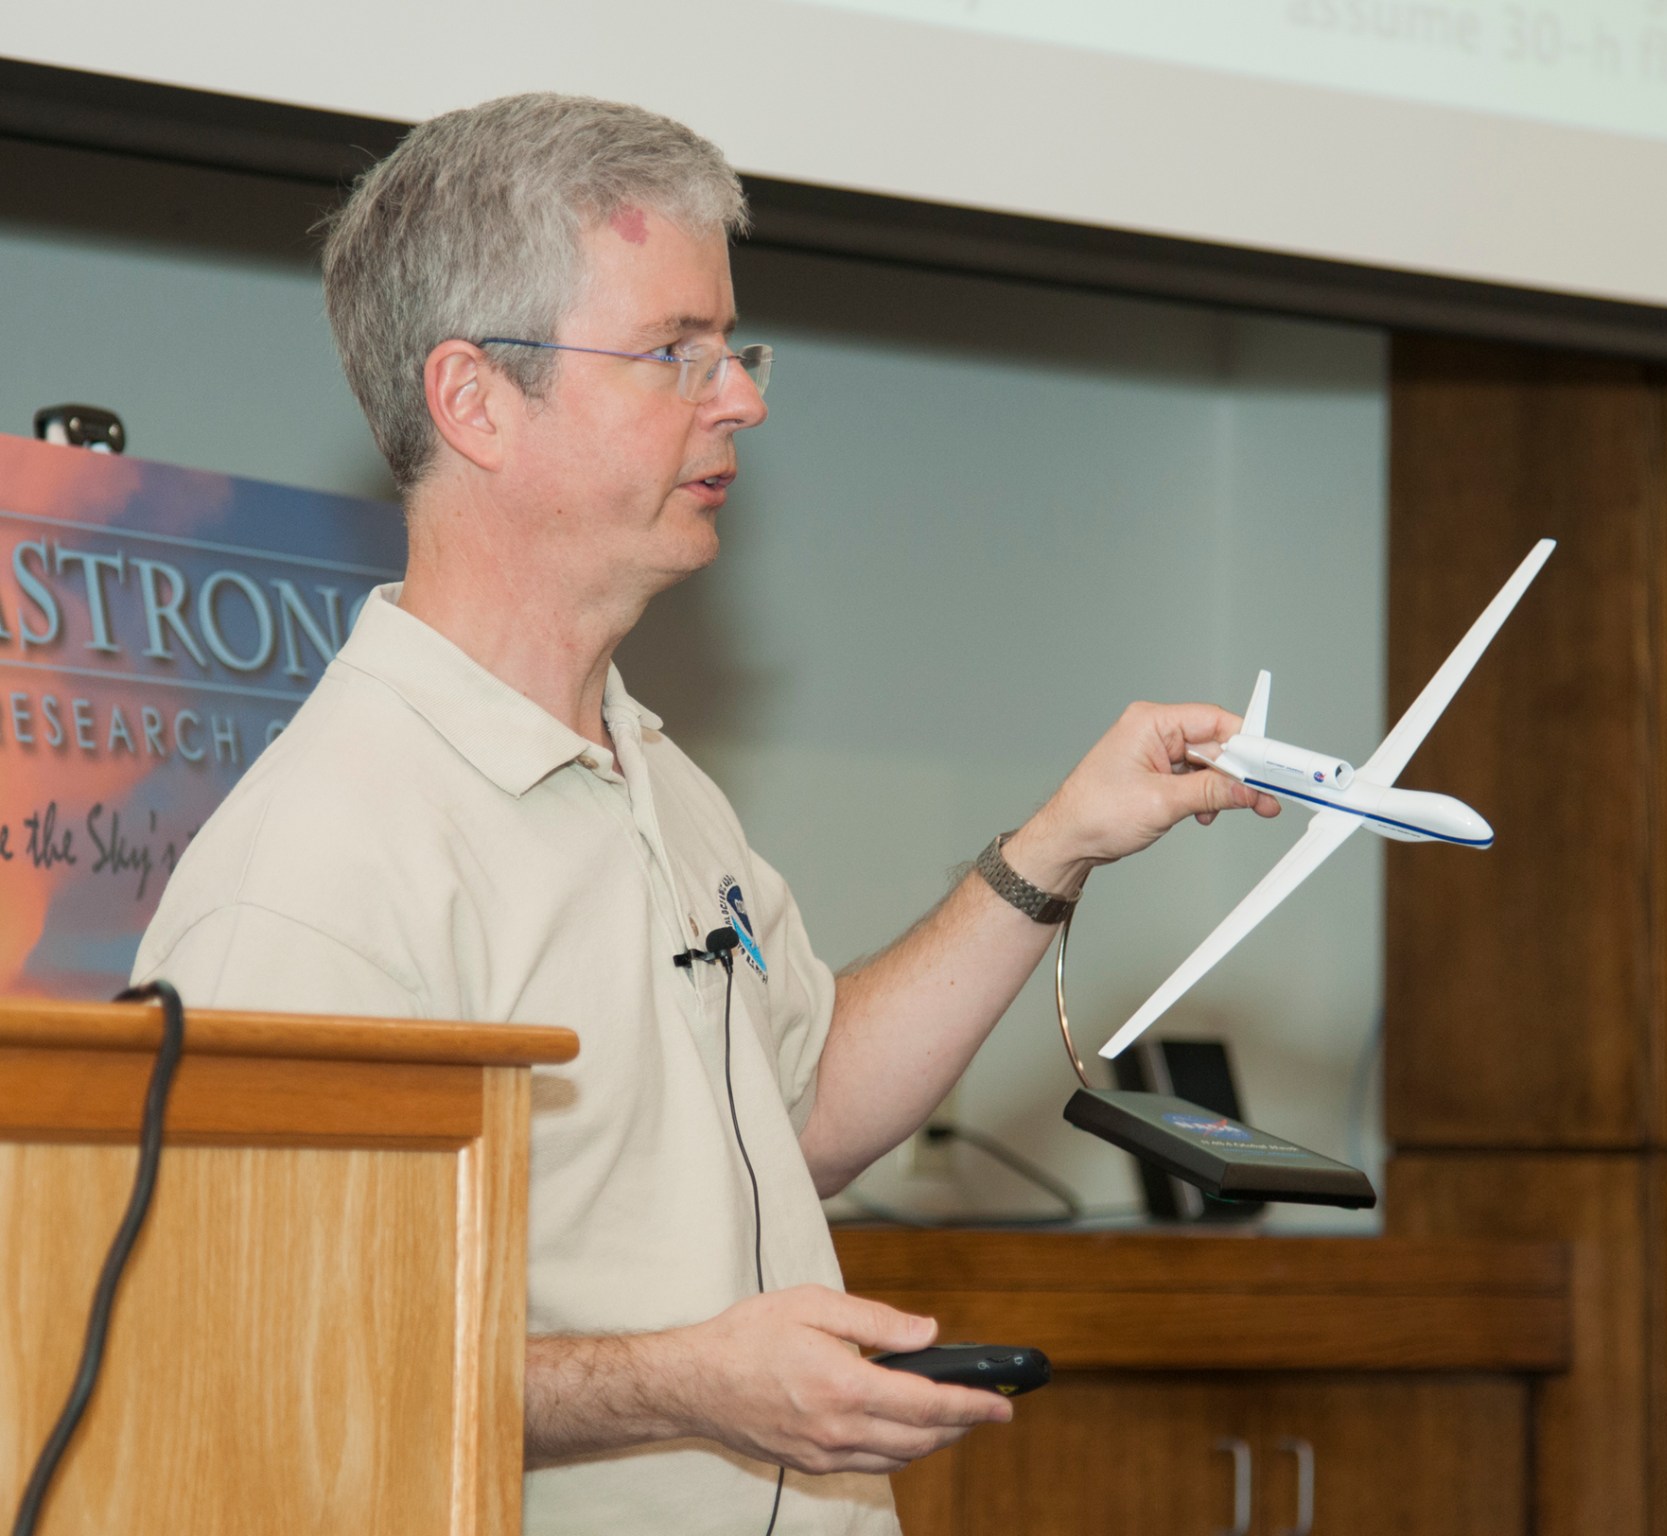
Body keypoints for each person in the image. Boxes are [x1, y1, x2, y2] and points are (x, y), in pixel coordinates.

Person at [131, 93, 1277, 1535]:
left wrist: (1057, 845)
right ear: (474, 399)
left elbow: (804, 1108)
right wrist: (680, 1385)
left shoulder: (647, 769)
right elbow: (259, 1362)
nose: (741, 395)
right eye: (673, 352)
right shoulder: (318, 862)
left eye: (730, 348)